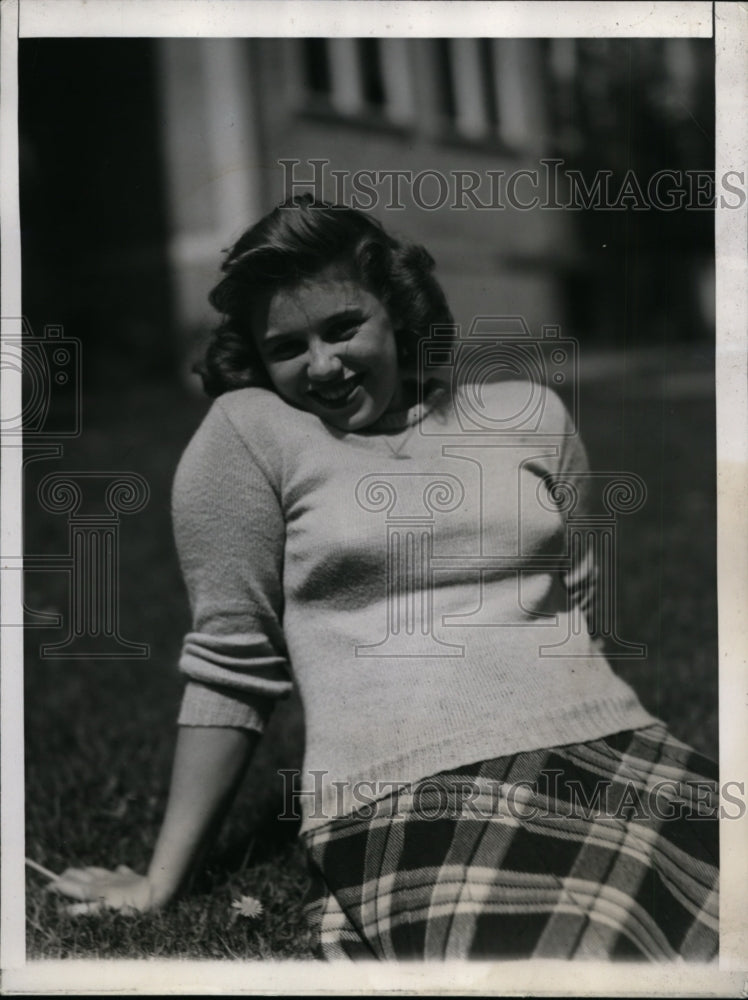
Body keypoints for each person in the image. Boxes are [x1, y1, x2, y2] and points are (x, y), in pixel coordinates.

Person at [51, 195, 719, 961]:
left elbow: (580, 605)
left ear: (398, 311)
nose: (325, 365)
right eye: (288, 347)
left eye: (342, 327)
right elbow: (231, 664)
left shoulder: (529, 413)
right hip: (402, 788)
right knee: (577, 956)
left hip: (603, 747)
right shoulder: (252, 434)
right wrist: (161, 880)